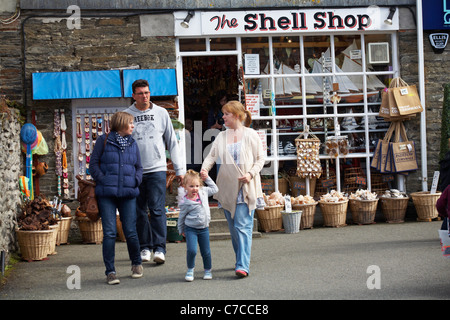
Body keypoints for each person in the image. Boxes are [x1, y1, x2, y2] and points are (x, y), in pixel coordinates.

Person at [201, 100, 265, 278]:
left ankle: (243, 265)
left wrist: (251, 174)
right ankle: (240, 258)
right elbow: (211, 156)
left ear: (236, 116)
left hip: (246, 186)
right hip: (227, 188)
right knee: (233, 228)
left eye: (226, 114)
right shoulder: (222, 136)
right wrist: (205, 169)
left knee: (243, 226)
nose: (223, 117)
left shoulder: (251, 134)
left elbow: (261, 159)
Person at [124, 79, 185, 265]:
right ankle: (145, 247)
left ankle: (160, 248)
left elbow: (172, 142)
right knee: (139, 211)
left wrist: (179, 169)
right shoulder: (126, 115)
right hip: (135, 171)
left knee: (158, 210)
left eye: (147, 93)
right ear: (133, 95)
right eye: (141, 93)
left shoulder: (161, 113)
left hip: (157, 168)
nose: (145, 96)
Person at [90, 111, 143, 285]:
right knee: (110, 233)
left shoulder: (133, 144)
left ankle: (136, 264)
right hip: (107, 194)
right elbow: (93, 164)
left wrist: (136, 180)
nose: (133, 126)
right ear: (121, 124)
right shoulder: (103, 141)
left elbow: (138, 167)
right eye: (130, 123)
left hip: (128, 193)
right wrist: (103, 179)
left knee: (130, 231)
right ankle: (110, 272)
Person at [178, 169, 218, 281]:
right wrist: (181, 229)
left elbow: (215, 189)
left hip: (204, 228)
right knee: (192, 250)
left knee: (206, 251)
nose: (194, 188)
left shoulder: (203, 192)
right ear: (185, 187)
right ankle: (190, 269)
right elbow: (181, 216)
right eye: (191, 186)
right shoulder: (185, 201)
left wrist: (207, 178)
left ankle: (208, 270)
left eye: (196, 185)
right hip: (191, 229)